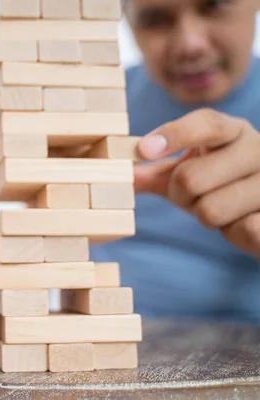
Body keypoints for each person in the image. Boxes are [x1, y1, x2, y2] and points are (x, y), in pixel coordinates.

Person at [91, 0, 260, 322]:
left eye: (214, 6)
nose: (190, 45)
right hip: (104, 337)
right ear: (126, 21)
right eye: (155, 19)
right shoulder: (94, 106)